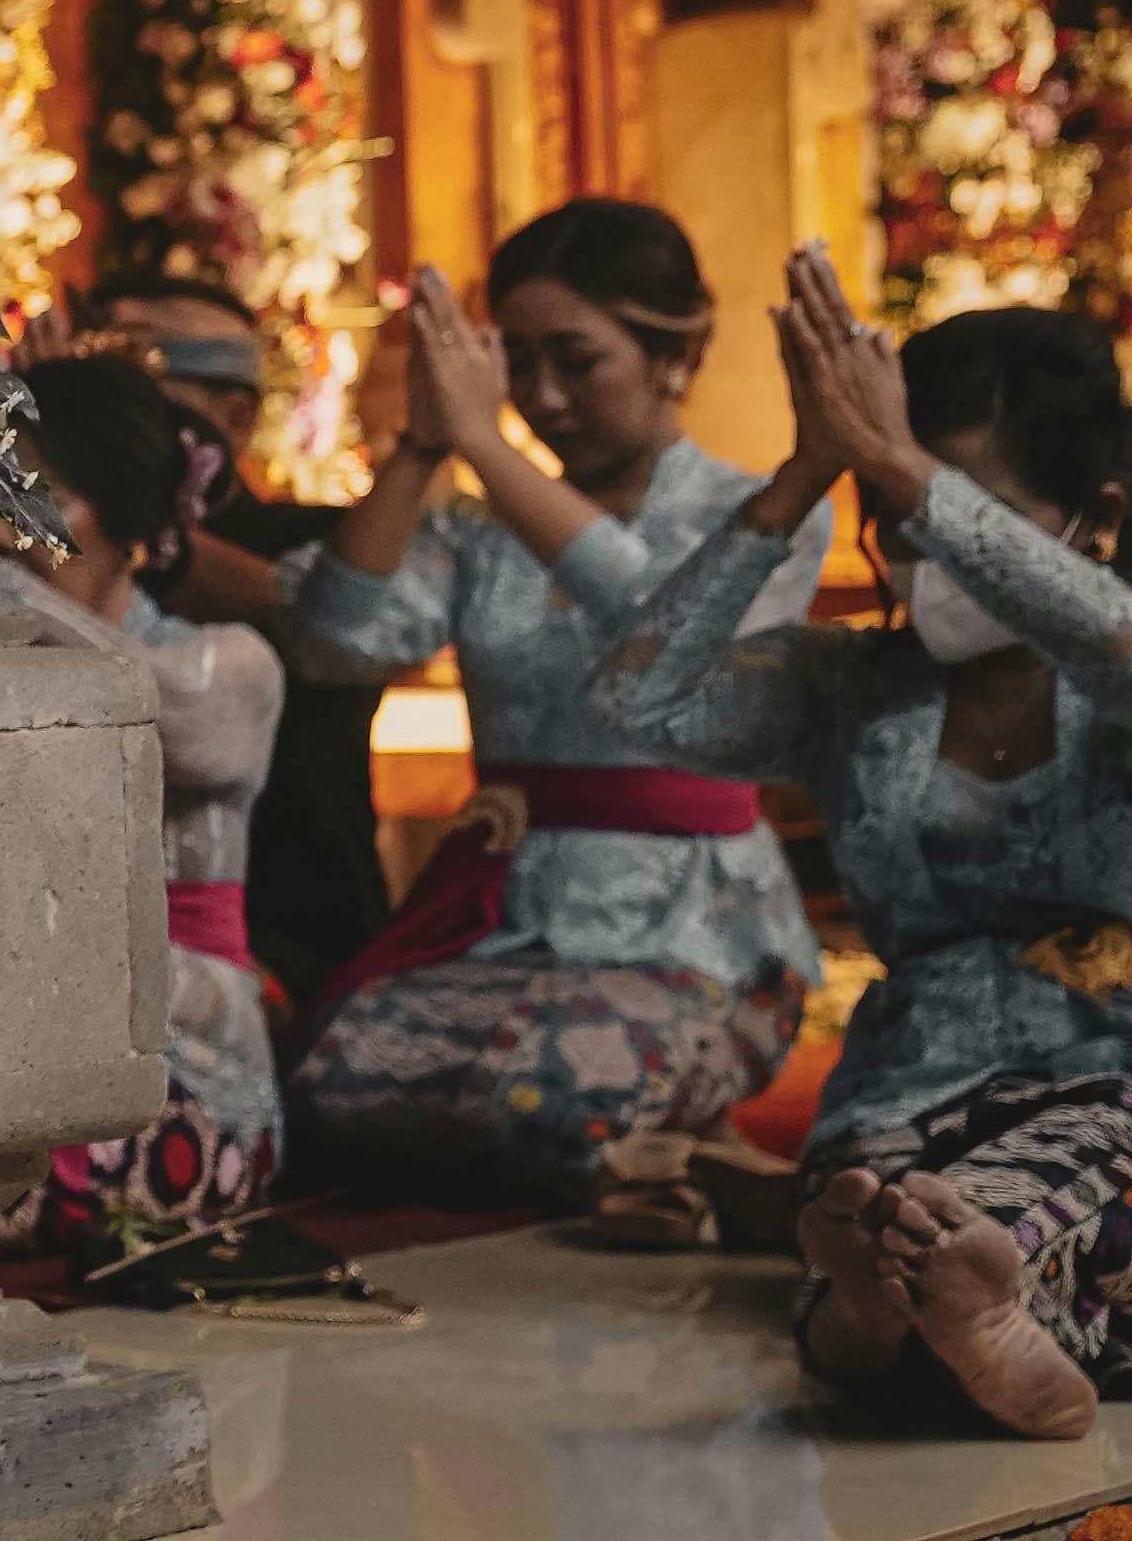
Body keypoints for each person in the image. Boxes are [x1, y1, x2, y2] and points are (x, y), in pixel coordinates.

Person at [593, 248, 1132, 1438]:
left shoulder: (1112, 670)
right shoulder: (846, 684)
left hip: (1115, 1068)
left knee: (1045, 1184)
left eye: (968, 514)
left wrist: (902, 464)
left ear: (1097, 519)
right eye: (895, 521)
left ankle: (918, 1314)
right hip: (915, 1071)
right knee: (875, 1207)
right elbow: (633, 698)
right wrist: (803, 472)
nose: (918, 550)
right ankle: (898, 1307)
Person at [280, 199, 829, 1231]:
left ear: (676, 354)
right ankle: (661, 1161)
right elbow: (331, 645)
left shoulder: (765, 511)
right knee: (330, 1076)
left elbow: (666, 625)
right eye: (517, 362)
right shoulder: (474, 530)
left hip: (699, 940)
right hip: (508, 921)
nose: (542, 396)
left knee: (548, 1092)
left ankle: (663, 1147)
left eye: (576, 360)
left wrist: (490, 450)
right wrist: (423, 445)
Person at [0, 355, 283, 1256]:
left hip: (184, 1049)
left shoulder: (228, 665)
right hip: (12, 1033)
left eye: (32, 497)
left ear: (132, 526)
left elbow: (147, 700)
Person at [88, 272, 393, 1006]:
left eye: (139, 393)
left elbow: (319, 620)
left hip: (295, 942)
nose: (115, 422)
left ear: (234, 417)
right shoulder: (65, 534)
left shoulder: (323, 545)